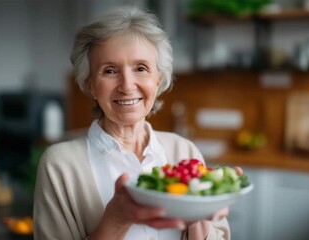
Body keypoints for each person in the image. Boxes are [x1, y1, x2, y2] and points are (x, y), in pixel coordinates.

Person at [34, 6, 236, 240]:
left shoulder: (185, 152)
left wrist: (198, 216)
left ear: (158, 79)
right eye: (110, 71)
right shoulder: (59, 165)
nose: (127, 85)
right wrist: (116, 220)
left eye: (141, 68)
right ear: (89, 84)